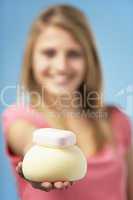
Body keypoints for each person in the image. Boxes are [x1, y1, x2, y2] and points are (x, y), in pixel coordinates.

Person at [2, 4, 133, 200]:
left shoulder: (118, 120)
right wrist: (35, 156)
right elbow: (27, 138)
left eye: (73, 54)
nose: (61, 66)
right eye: (49, 53)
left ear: (89, 60)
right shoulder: (18, 116)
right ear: (32, 60)